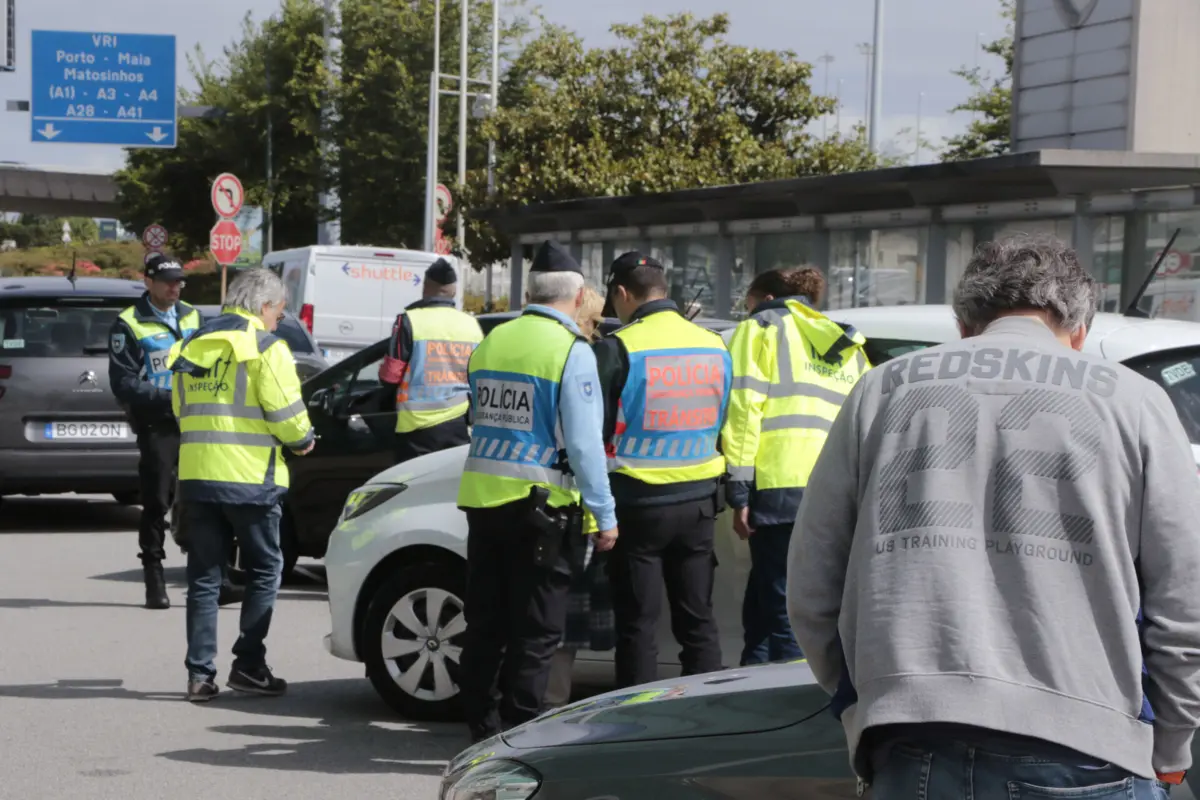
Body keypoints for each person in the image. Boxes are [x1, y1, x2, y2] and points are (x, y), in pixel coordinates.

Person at [788, 235, 1200, 800]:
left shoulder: (879, 391)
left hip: (911, 740)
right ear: (1078, 330)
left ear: (963, 324)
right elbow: (1185, 602)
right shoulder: (1135, 401)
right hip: (1088, 746)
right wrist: (1172, 745)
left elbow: (813, 585)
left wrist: (867, 699)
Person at [457, 240, 618, 742]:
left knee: (486, 623)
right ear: (578, 296)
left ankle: (480, 726)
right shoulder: (571, 352)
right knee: (538, 629)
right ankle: (520, 736)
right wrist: (605, 514)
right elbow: (587, 447)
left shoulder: (491, 342)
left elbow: (476, 418)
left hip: (484, 503)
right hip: (543, 511)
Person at [169, 268, 315, 703]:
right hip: (251, 480)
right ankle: (248, 664)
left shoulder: (191, 345)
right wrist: (303, 440)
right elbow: (287, 415)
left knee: (204, 578)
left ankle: (199, 675)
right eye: (278, 313)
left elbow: (179, 408)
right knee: (266, 569)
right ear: (264, 306)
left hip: (197, 477)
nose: (278, 321)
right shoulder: (266, 347)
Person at [595, 251, 731, 688]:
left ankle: (636, 726)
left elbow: (592, 429)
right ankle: (707, 716)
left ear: (621, 292)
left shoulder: (619, 347)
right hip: (698, 502)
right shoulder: (714, 343)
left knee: (638, 626)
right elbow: (724, 415)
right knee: (698, 621)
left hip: (639, 505)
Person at [721, 266, 869, 666]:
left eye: (747, 304)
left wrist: (737, 486)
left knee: (783, 606)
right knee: (770, 601)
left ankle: (782, 697)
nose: (746, 313)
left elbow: (743, 409)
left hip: (776, 484)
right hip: (834, 488)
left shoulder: (763, 329)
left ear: (765, 299)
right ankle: (755, 687)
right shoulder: (847, 345)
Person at [107, 254, 201, 610]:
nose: (175, 287)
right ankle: (154, 576)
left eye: (179, 281)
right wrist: (170, 397)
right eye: (167, 281)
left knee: (201, 499)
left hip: (195, 422)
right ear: (148, 282)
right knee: (157, 501)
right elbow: (124, 383)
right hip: (158, 422)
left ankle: (212, 577)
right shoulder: (129, 323)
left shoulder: (192, 315)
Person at [545, 286, 615, 708]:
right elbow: (587, 448)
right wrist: (605, 514)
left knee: (549, 621)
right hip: (574, 509)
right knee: (561, 623)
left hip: (557, 508)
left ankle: (544, 704)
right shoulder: (582, 358)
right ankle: (550, 705)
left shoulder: (584, 358)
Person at [378, 258, 484, 463]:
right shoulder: (472, 325)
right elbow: (480, 376)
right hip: (459, 425)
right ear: (453, 291)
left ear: (425, 288)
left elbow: (391, 375)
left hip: (416, 427)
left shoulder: (409, 320)